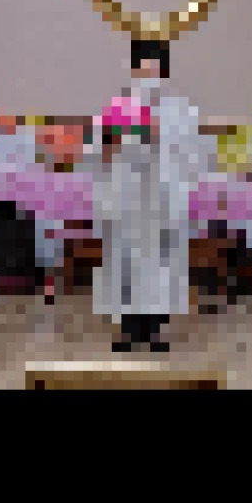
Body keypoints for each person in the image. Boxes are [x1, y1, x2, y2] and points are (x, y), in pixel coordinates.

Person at [91, 39, 205, 352]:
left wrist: (159, 136)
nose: (147, 74)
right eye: (141, 66)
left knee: (158, 266)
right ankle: (128, 330)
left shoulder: (180, 109)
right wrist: (112, 142)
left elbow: (191, 153)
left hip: (160, 199)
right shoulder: (118, 105)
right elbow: (99, 148)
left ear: (163, 69)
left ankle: (155, 330)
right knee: (126, 264)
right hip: (128, 197)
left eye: (153, 65)